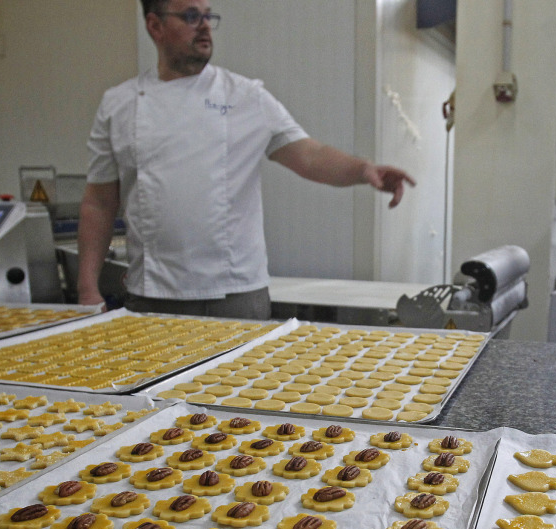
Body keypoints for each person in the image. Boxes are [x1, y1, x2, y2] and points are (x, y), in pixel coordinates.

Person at [77, 0, 415, 318]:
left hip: (236, 294)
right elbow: (99, 204)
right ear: (155, 26)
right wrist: (87, 287)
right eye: (191, 16)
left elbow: (310, 155)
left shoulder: (245, 96)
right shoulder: (119, 105)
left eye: (208, 16)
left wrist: (362, 169)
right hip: (153, 294)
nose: (205, 26)